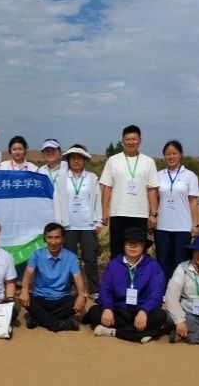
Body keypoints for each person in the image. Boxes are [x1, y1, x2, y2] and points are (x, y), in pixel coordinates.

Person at [83, 227, 166, 344]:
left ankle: (112, 332)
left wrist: (144, 311)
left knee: (160, 316)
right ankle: (145, 332)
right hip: (119, 310)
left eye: (137, 243)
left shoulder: (153, 266)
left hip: (141, 311)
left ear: (143, 246)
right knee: (94, 312)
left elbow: (156, 294)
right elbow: (105, 288)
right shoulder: (114, 264)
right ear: (124, 245)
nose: (133, 246)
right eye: (129, 243)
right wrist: (108, 308)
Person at [99, 125, 159, 258]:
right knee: (117, 250)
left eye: (134, 139)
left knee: (138, 251)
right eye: (128, 139)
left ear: (140, 140)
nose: (131, 142)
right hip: (118, 213)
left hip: (140, 214)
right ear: (123, 141)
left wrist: (153, 214)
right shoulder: (113, 160)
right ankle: (117, 272)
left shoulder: (148, 162)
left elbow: (152, 189)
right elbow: (107, 187)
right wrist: (104, 211)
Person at [19, 223, 86, 332]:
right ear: (44, 239)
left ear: (63, 239)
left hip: (62, 299)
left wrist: (82, 295)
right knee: (24, 297)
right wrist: (24, 290)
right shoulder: (36, 255)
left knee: (82, 299)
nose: (53, 242)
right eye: (49, 237)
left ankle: (39, 319)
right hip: (40, 298)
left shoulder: (71, 257)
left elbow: (78, 277)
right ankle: (57, 324)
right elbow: (28, 274)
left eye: (57, 237)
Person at [55, 144, 102, 298]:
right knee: (69, 258)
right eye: (73, 158)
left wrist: (98, 222)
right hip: (68, 225)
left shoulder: (92, 178)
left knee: (90, 257)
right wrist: (59, 223)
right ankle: (70, 288)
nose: (76, 160)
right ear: (68, 160)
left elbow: (97, 200)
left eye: (79, 158)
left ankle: (94, 289)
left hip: (88, 225)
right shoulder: (62, 179)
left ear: (84, 160)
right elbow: (57, 202)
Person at [155, 140, 199, 280]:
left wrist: (195, 224)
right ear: (164, 156)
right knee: (163, 260)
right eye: (167, 154)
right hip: (162, 226)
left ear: (181, 154)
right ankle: (163, 289)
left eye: (174, 153)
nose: (171, 156)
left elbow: (193, 201)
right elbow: (154, 199)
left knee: (181, 262)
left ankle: (179, 289)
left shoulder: (190, 176)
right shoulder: (158, 175)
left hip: (183, 226)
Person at [36, 138, 69, 223]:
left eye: (53, 150)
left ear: (60, 152)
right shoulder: (40, 171)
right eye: (47, 151)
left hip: (67, 213)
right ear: (43, 154)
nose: (50, 153)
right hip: (47, 214)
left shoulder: (68, 167)